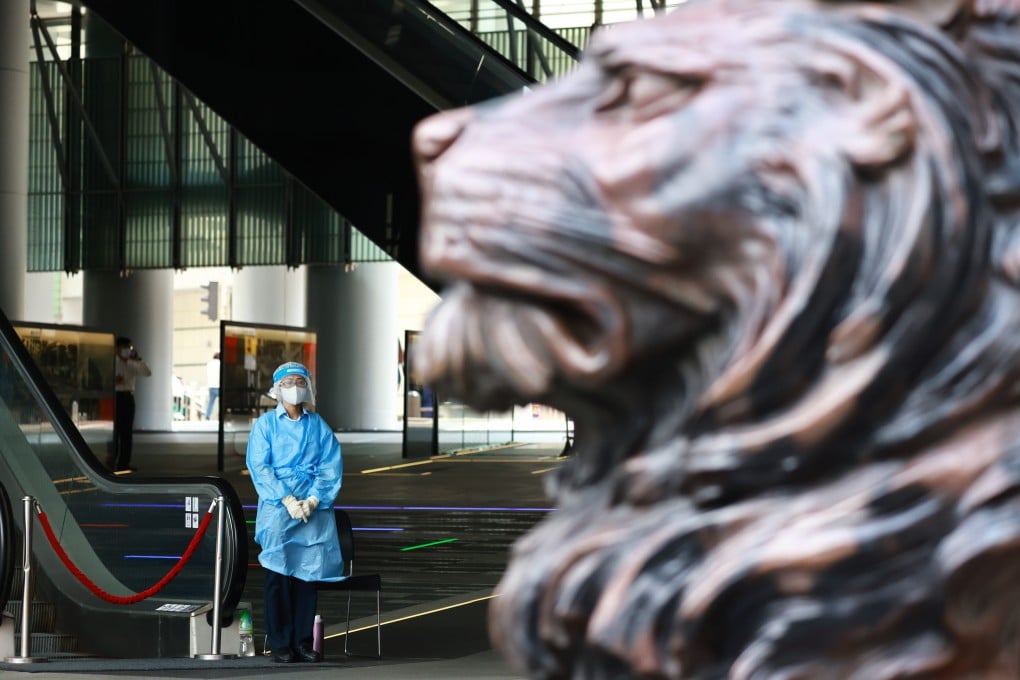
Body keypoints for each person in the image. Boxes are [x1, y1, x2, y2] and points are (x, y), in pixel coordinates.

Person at [246, 362, 343, 664]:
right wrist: (286, 498)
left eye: (300, 380)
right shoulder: (265, 426)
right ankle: (280, 643)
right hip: (278, 509)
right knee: (277, 575)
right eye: (288, 381)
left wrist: (314, 499)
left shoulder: (317, 425)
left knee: (306, 575)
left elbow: (330, 465)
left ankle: (303, 641)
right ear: (276, 388)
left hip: (311, 512)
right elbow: (260, 467)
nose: (295, 386)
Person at [110, 336, 151, 472]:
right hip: (115, 398)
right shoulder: (112, 362)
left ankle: (123, 463)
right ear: (118, 348)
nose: (128, 350)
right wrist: (113, 381)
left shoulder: (132, 363)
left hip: (128, 398)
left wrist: (136, 359)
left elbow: (147, 372)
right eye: (125, 348)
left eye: (130, 348)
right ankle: (111, 461)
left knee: (126, 433)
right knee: (114, 432)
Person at [205, 352, 221, 420]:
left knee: (211, 402)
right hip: (218, 386)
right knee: (221, 403)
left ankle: (207, 415)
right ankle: (220, 416)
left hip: (211, 386)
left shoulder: (209, 364)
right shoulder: (220, 363)